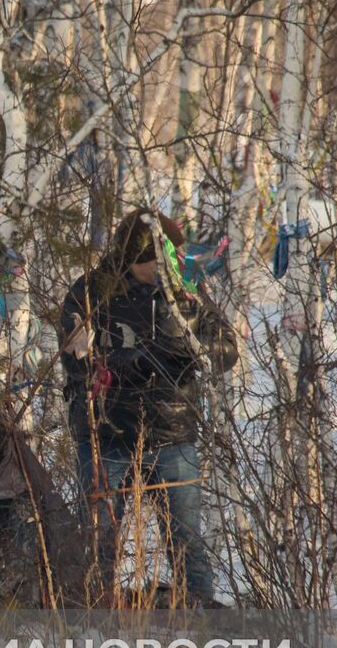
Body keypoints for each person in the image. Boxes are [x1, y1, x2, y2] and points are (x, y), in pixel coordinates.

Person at [59, 209, 238, 607]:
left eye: (171, 259)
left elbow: (226, 350)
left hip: (173, 433)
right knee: (99, 540)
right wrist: (129, 364)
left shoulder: (187, 293)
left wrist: (192, 350)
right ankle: (93, 620)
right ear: (132, 259)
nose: (166, 268)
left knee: (186, 539)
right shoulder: (90, 292)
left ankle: (203, 620)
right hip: (107, 434)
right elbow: (75, 360)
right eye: (157, 261)